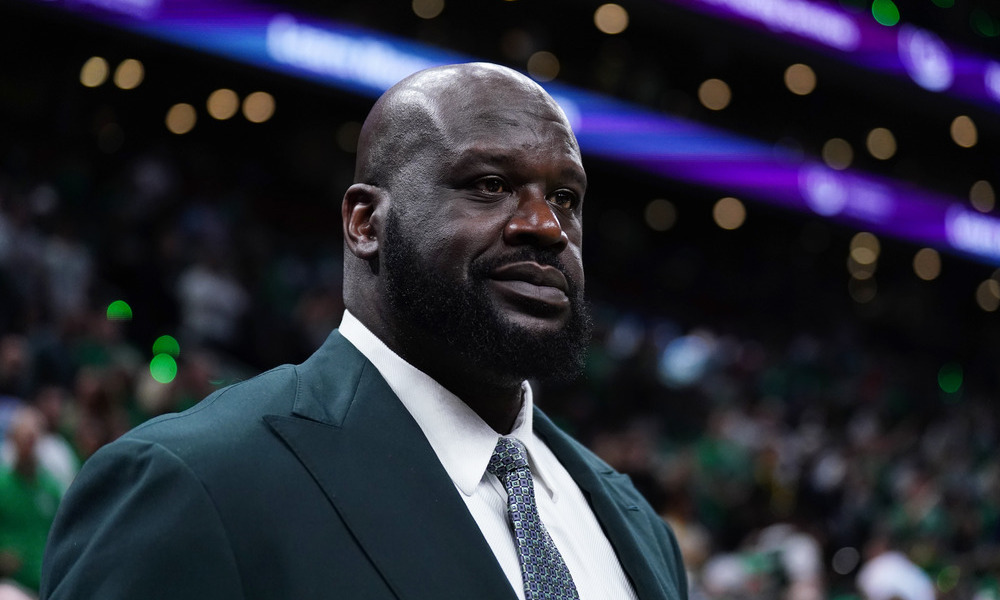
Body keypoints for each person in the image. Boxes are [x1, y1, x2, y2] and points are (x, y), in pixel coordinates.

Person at [41, 62, 688, 599]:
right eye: (490, 185)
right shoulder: (193, 483)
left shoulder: (635, 524)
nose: (546, 226)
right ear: (365, 223)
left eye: (567, 198)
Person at [0, 406, 62, 595]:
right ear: (12, 440)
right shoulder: (2, 484)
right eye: (23, 438)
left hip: (48, 582)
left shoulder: (51, 487)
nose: (28, 445)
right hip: (11, 584)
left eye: (32, 439)